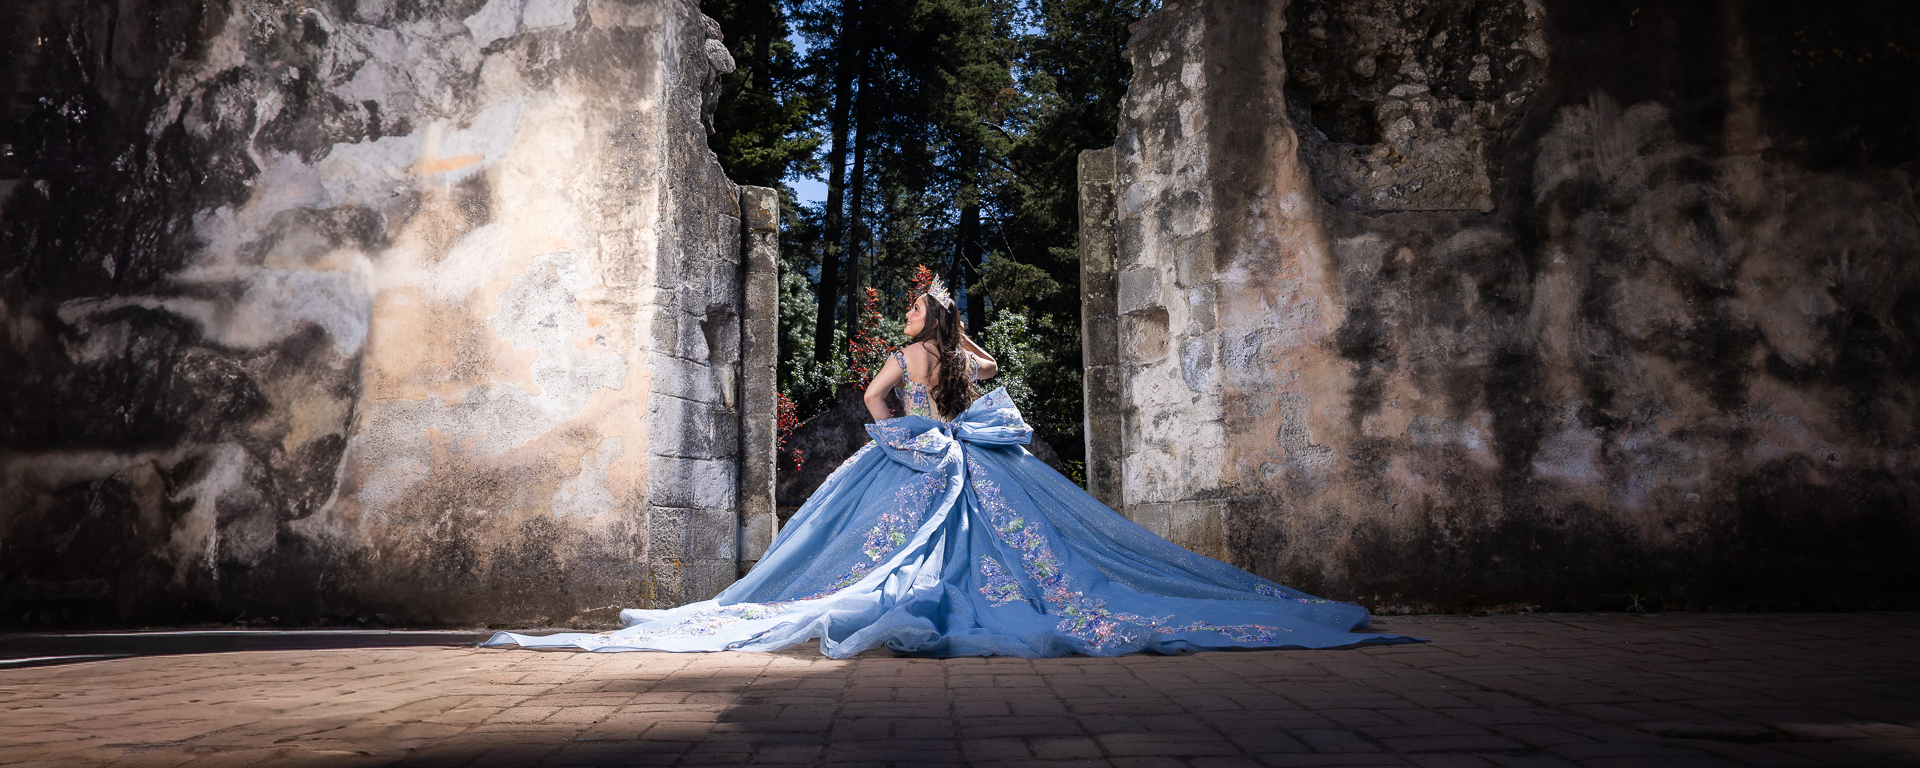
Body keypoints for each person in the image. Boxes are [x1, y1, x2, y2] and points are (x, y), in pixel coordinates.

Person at [484, 275, 1418, 658]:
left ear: (921, 323)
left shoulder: (908, 359)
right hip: (956, 456)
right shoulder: (958, 355)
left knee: (881, 551)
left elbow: (874, 402)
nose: (910, 327)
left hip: (922, 456)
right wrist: (955, 354)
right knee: (1002, 549)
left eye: (917, 314)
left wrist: (902, 434)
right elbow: (995, 370)